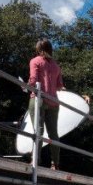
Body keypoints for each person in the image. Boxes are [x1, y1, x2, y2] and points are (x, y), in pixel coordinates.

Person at [28, 39, 64, 169]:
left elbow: (33, 80)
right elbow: (60, 86)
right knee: (54, 134)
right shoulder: (56, 65)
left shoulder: (35, 61)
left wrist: (26, 86)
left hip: (39, 99)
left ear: (39, 49)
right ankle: (55, 163)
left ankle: (35, 161)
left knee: (38, 131)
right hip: (54, 102)